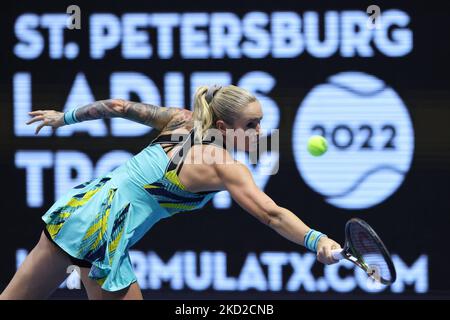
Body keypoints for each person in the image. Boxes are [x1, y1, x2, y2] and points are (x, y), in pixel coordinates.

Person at [0, 85, 341, 300]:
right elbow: (272, 214)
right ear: (223, 128)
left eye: (260, 122)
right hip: (103, 231)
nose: (260, 131)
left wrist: (64, 118)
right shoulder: (225, 165)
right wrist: (317, 239)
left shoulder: (182, 120)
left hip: (78, 208)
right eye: (251, 125)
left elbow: (117, 105)